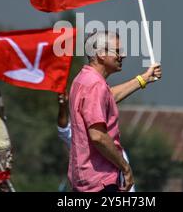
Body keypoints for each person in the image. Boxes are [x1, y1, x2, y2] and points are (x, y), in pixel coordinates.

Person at [67, 30, 162, 192]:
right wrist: (125, 167)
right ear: (101, 54)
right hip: (100, 182)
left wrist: (144, 79)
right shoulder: (95, 86)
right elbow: (98, 136)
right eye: (117, 51)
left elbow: (108, 97)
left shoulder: (83, 79)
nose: (123, 55)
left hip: (84, 179)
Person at [56, 93, 136, 192]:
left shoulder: (120, 154)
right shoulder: (82, 141)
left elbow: (129, 187)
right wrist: (63, 107)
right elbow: (63, 130)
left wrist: (143, 79)